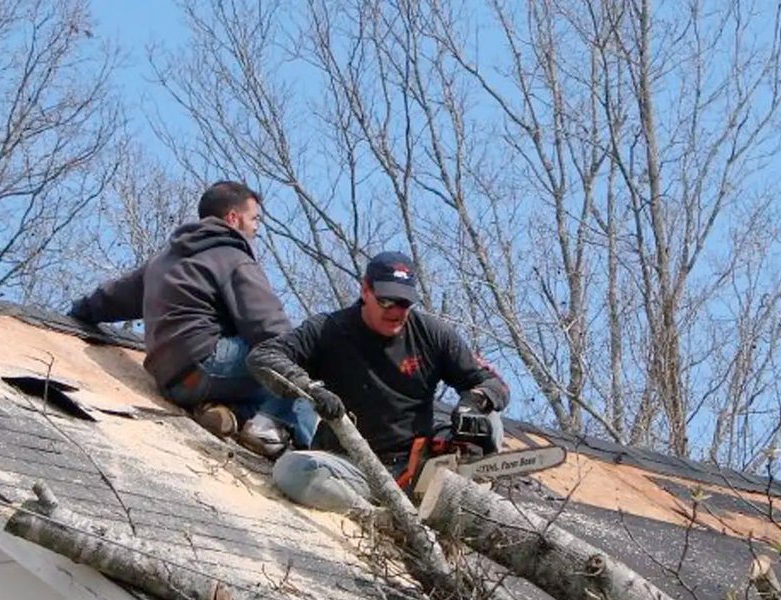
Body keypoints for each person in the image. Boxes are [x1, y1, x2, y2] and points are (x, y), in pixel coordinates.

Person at [66, 181, 314, 457]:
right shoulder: (233, 257)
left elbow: (113, 297)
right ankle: (292, 446)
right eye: (254, 218)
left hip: (173, 381)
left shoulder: (164, 260)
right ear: (233, 217)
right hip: (209, 362)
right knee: (303, 365)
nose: (257, 228)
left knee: (268, 386)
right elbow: (268, 325)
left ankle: (227, 415)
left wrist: (80, 312)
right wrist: (300, 367)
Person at [247, 251, 508, 511]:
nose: (395, 311)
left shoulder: (433, 334)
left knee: (489, 419)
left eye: (404, 303)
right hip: (349, 465)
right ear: (365, 291)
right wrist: (309, 388)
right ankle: (374, 516)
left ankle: (471, 489)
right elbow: (264, 356)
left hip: (418, 467)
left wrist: (474, 402)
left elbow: (493, 383)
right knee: (290, 470)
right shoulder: (329, 329)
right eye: (386, 301)